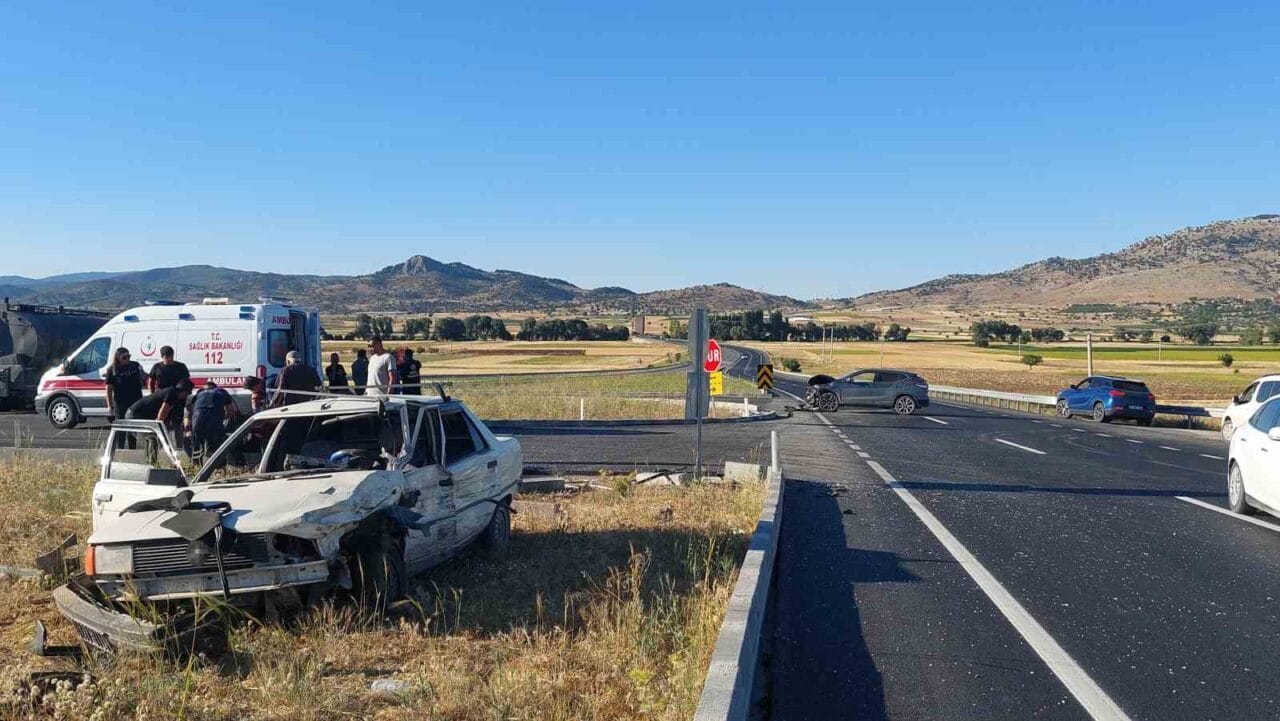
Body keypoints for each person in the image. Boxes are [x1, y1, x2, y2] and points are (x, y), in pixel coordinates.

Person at [127, 379, 194, 458]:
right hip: (135, 415)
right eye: (187, 393)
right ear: (183, 391)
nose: (186, 396)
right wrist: (160, 430)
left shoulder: (175, 396)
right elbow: (161, 414)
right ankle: (152, 463)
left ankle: (152, 461)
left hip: (141, 415)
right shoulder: (171, 393)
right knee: (152, 438)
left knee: (153, 438)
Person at [147, 345, 190, 446]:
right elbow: (151, 381)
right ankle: (165, 446)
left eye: (171, 357)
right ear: (162, 357)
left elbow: (187, 383)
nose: (169, 359)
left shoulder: (180, 367)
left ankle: (179, 447)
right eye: (167, 357)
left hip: (177, 400)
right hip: (162, 400)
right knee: (163, 423)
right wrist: (152, 395)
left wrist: (185, 397)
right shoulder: (157, 367)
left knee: (177, 424)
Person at [187, 381, 236, 466]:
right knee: (215, 444)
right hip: (214, 417)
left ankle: (196, 467)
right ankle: (218, 468)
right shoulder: (222, 391)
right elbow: (231, 411)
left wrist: (188, 427)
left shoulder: (199, 392)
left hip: (198, 417)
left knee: (197, 443)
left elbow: (190, 410)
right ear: (215, 387)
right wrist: (222, 418)